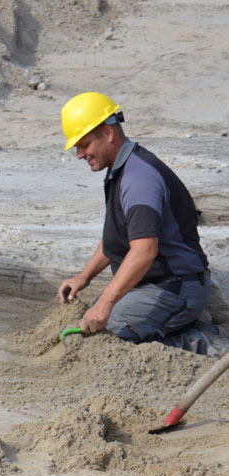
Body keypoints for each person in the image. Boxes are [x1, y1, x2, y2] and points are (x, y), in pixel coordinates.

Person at [57, 91, 216, 353]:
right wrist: (83, 277)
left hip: (176, 288)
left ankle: (203, 343)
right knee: (89, 326)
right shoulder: (120, 171)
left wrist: (106, 303)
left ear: (108, 133)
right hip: (150, 284)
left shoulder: (138, 178)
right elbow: (116, 240)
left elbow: (144, 251)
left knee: (105, 338)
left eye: (84, 144)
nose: (79, 153)